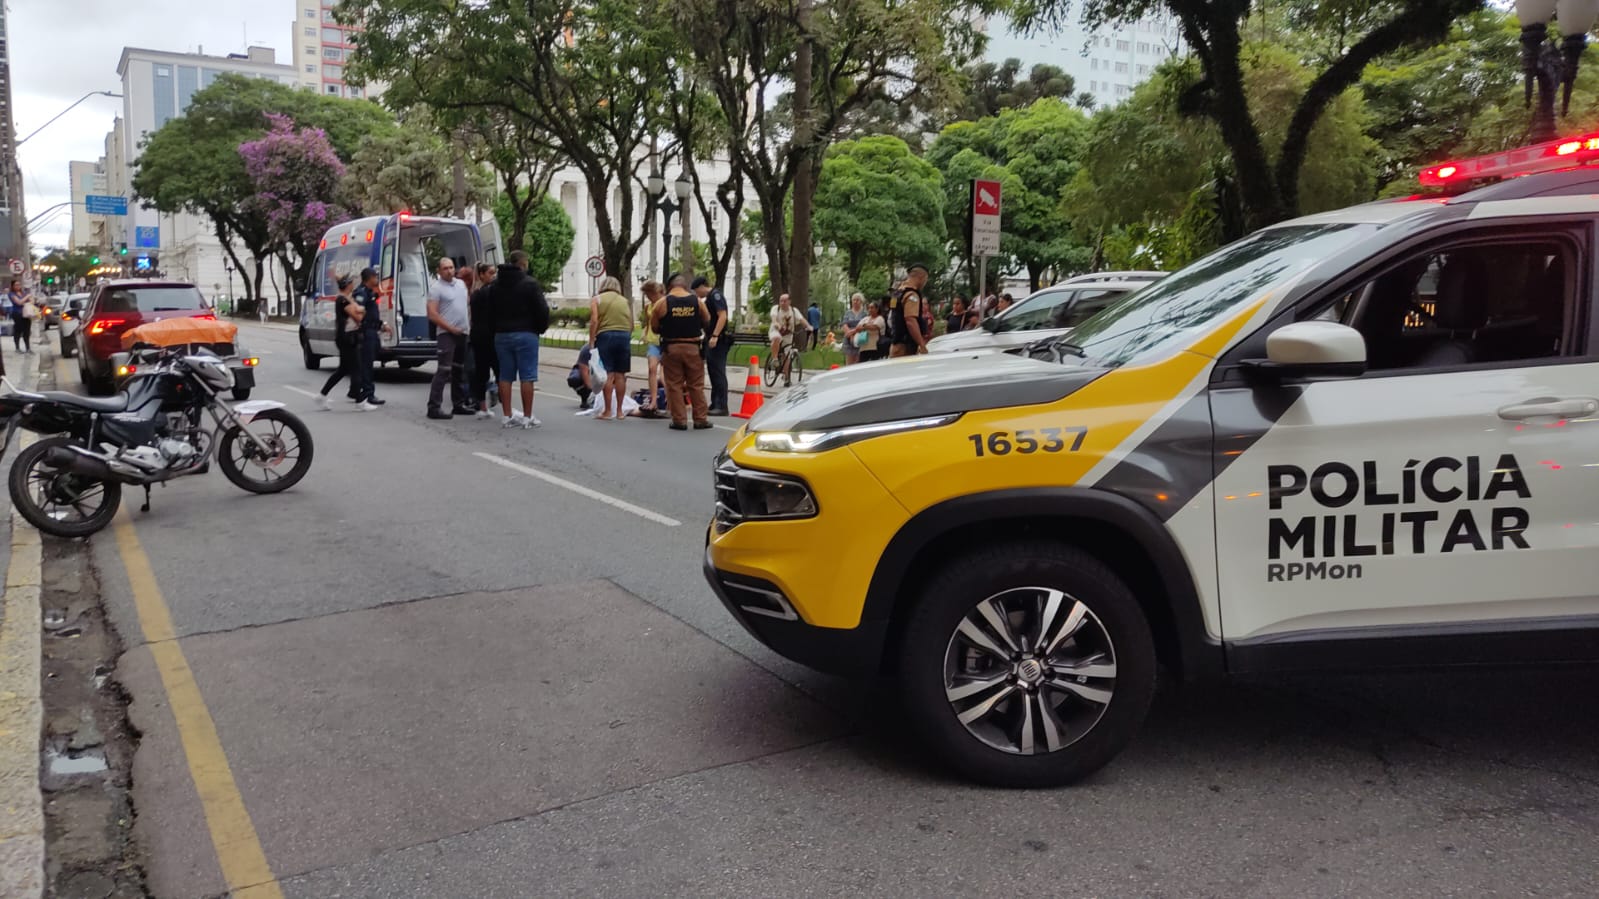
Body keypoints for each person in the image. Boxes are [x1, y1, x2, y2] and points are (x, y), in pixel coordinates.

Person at [490, 249, 550, 428]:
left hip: (502, 334)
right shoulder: (530, 284)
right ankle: (527, 417)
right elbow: (542, 310)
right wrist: (540, 328)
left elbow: (489, 311)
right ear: (523, 264)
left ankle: (507, 416)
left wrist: (496, 329)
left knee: (505, 376)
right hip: (526, 334)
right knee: (527, 376)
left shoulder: (495, 285)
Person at [649, 272, 711, 430]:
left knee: (674, 385)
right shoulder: (697, 302)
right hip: (693, 348)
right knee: (696, 385)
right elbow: (707, 320)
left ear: (670, 286)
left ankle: (679, 420)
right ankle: (700, 419)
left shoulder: (662, 303)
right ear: (685, 286)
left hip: (672, 348)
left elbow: (655, 327)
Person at [316, 275, 375, 410]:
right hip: (347, 339)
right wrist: (362, 310)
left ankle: (321, 396)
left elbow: (357, 310)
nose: (353, 285)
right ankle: (359, 400)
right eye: (351, 283)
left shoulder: (348, 298)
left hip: (349, 337)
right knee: (357, 369)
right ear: (347, 285)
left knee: (343, 370)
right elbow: (357, 316)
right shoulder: (342, 300)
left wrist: (359, 309)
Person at [425, 257, 472, 420]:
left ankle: (458, 404)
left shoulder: (460, 284)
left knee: (458, 369)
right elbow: (432, 314)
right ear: (439, 271)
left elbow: (465, 305)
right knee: (444, 370)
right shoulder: (436, 289)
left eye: (451, 267)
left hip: (463, 332)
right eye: (445, 268)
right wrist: (450, 328)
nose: (449, 270)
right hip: (446, 333)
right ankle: (434, 407)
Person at [588, 275, 633, 421]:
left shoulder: (597, 299)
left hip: (606, 336)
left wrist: (591, 340)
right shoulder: (625, 301)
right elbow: (631, 322)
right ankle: (619, 411)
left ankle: (608, 411)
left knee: (608, 374)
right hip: (624, 336)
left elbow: (594, 320)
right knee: (620, 375)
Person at [694, 277, 731, 415]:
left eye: (697, 290)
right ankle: (715, 403)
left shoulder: (715, 296)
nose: (697, 294)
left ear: (703, 286)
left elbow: (722, 316)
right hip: (712, 338)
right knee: (713, 371)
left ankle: (722, 405)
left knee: (718, 371)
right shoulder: (709, 298)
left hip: (719, 339)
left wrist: (715, 335)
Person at [353, 268, 389, 408]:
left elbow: (372, 314)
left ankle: (358, 391)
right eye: (375, 277)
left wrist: (382, 325)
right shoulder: (361, 293)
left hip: (372, 330)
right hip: (366, 332)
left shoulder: (369, 293)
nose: (377, 279)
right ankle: (367, 394)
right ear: (370, 278)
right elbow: (359, 313)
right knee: (366, 364)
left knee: (367, 363)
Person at [468, 262, 499, 419]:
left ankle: (482, 406)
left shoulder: (476, 293)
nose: (493, 276)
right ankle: (492, 403)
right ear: (481, 275)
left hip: (478, 335)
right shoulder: (488, 293)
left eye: (494, 273)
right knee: (495, 370)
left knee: (482, 372)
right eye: (490, 273)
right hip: (488, 336)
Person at [767, 293, 810, 387]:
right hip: (776, 331)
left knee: (787, 356)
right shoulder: (776, 309)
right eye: (781, 301)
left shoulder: (794, 311)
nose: (782, 303)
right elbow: (774, 319)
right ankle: (774, 359)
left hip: (788, 335)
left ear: (789, 301)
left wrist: (808, 326)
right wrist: (776, 324)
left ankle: (786, 378)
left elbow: (802, 319)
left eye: (784, 301)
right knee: (776, 338)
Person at [889, 264, 931, 357]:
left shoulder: (897, 292)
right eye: (926, 279)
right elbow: (910, 320)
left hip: (896, 344)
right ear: (921, 277)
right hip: (905, 347)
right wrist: (921, 344)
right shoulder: (912, 295)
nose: (925, 283)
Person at [638, 281, 666, 419]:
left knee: (665, 374)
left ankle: (670, 401)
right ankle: (654, 401)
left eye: (651, 294)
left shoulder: (666, 303)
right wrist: (645, 334)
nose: (649, 297)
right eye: (647, 294)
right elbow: (648, 322)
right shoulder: (648, 306)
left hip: (665, 341)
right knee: (652, 369)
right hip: (653, 341)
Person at [8, 280, 33, 355]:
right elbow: (19, 302)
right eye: (16, 285)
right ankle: (17, 347)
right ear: (12, 286)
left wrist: (30, 299)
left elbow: (31, 301)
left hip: (26, 313)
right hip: (17, 313)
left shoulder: (23, 293)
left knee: (27, 331)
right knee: (18, 330)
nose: (18, 286)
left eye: (19, 284)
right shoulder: (11, 294)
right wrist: (27, 297)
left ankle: (28, 348)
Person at [568, 341, 595, 410]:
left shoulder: (610, 348)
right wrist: (592, 391)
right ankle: (585, 397)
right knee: (575, 379)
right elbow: (584, 371)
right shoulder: (587, 349)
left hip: (604, 373)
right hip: (589, 372)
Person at [841, 293, 866, 365]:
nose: (855, 302)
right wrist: (850, 334)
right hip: (849, 339)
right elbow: (844, 324)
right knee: (849, 362)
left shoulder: (865, 313)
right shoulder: (848, 313)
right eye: (854, 300)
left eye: (857, 300)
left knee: (858, 361)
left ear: (861, 301)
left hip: (860, 338)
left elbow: (864, 325)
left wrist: (854, 332)